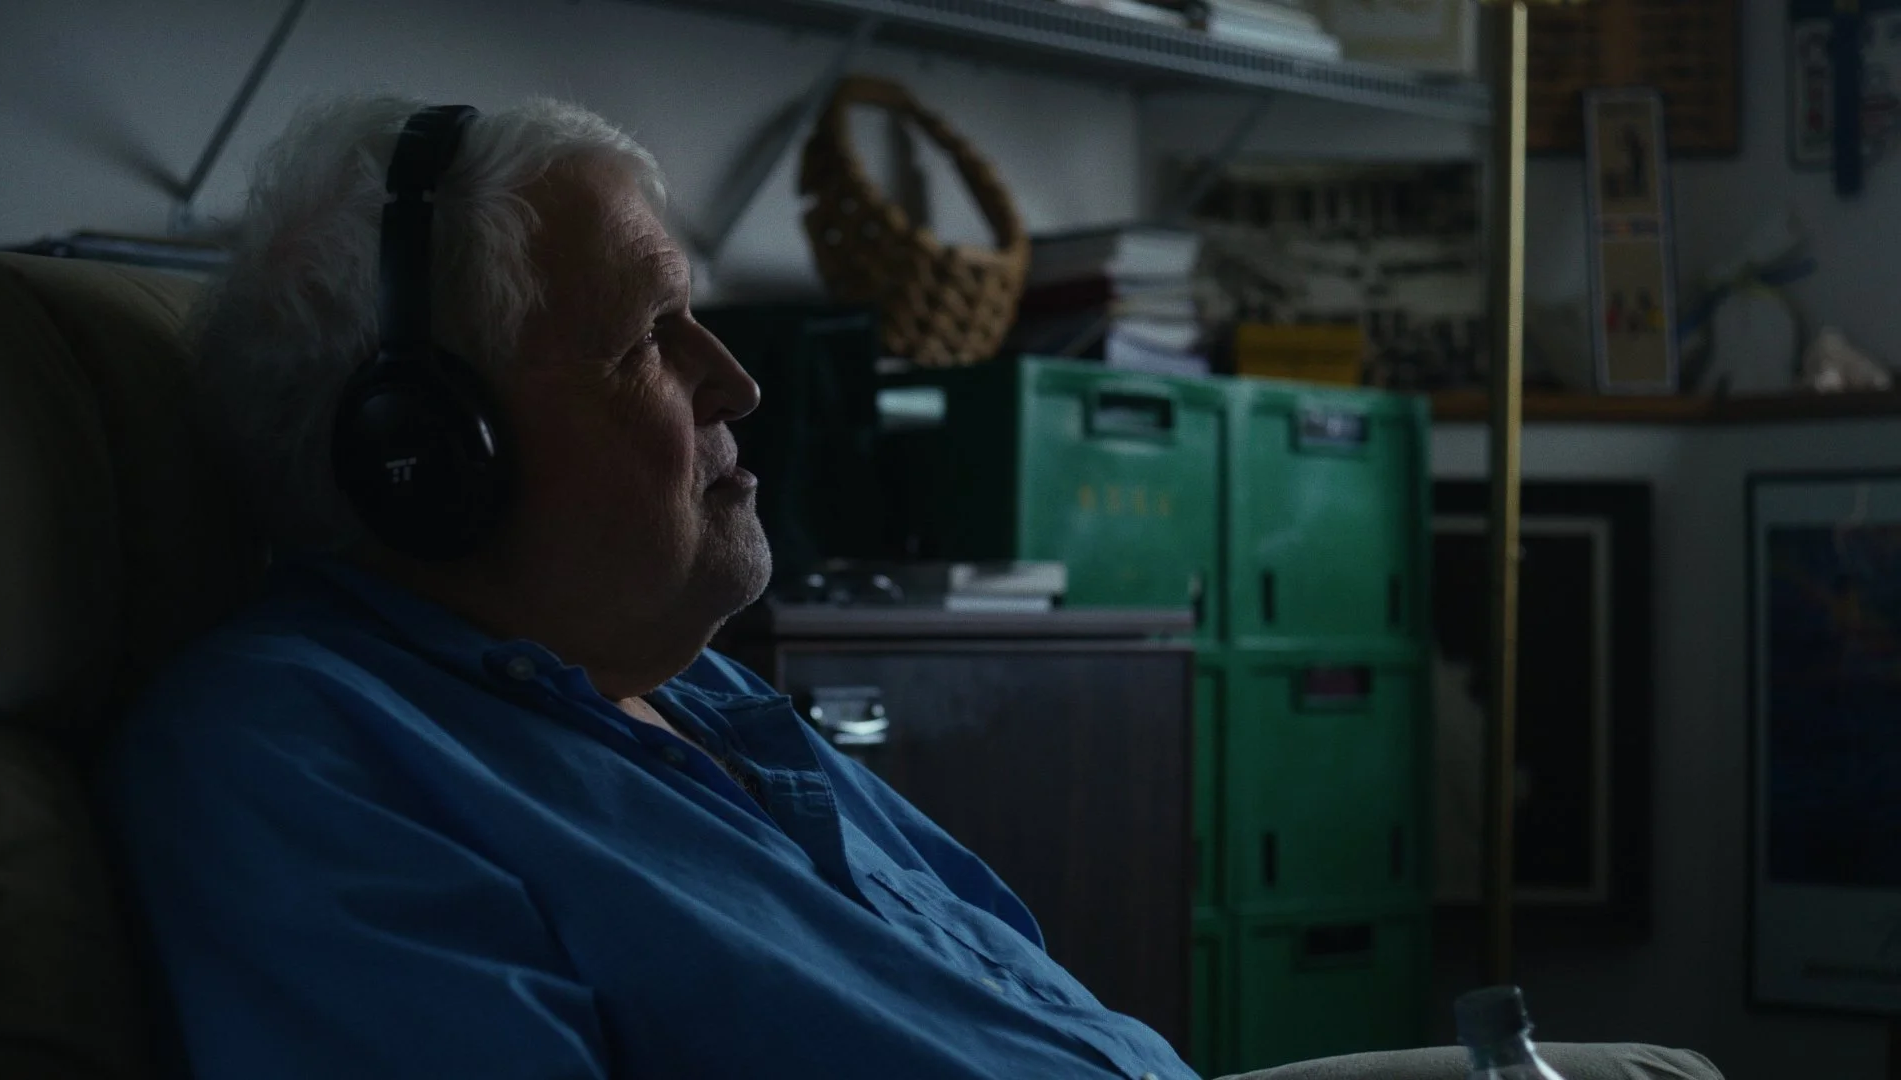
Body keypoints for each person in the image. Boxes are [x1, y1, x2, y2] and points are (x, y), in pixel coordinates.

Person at [102, 95, 1723, 1080]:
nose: (736, 383)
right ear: (422, 457)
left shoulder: (711, 700)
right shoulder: (300, 763)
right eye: (646, 342)